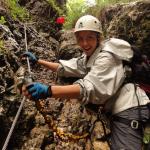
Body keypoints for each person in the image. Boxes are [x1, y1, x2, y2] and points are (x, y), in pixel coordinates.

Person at [22, 15, 150, 149]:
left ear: (98, 37)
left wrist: (48, 90)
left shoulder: (107, 57)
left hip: (129, 108)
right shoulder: (89, 57)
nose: (85, 43)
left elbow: (90, 88)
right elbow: (66, 67)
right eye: (80, 39)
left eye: (89, 37)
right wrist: (38, 61)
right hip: (118, 107)